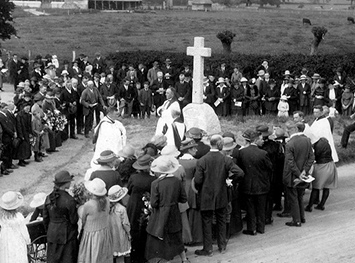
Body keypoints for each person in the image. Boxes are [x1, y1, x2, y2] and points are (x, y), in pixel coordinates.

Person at [194, 135, 244, 256]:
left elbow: (198, 180)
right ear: (220, 145)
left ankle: (208, 248)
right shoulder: (226, 159)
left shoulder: (202, 160)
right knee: (222, 219)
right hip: (222, 194)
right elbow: (240, 173)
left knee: (207, 221)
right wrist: (229, 180)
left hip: (206, 195)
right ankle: (222, 246)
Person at [145, 155, 189, 263]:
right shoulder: (177, 181)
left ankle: (167, 260)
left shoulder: (155, 183)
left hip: (161, 213)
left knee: (161, 237)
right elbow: (183, 199)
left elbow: (154, 203)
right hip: (174, 212)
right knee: (176, 235)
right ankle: (184, 259)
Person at [236, 129, 272, 235]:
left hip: (247, 185)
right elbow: (270, 167)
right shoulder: (263, 153)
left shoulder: (242, 153)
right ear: (255, 140)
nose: (263, 141)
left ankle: (252, 228)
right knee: (261, 207)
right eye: (261, 139)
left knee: (250, 207)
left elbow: (239, 168)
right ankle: (261, 227)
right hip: (262, 185)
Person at [283, 121, 314, 227]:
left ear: (292, 130)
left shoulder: (290, 143)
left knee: (293, 197)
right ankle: (302, 217)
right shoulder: (307, 140)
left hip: (292, 175)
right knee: (300, 195)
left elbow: (290, 162)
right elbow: (311, 158)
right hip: (304, 174)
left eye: (288, 130)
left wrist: (298, 173)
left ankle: (296, 220)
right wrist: (304, 171)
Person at [43, 170, 79, 263]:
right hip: (67, 236)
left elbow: (45, 217)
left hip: (52, 233)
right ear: (66, 184)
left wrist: (49, 230)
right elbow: (73, 220)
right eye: (69, 181)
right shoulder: (70, 200)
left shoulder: (48, 197)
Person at [127, 154, 156, 263]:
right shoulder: (153, 179)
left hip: (134, 205)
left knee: (133, 228)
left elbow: (129, 190)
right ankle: (144, 255)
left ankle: (134, 254)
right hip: (146, 206)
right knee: (144, 229)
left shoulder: (133, 178)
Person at [78, 178, 113, 263]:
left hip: (91, 235)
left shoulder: (88, 205)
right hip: (104, 232)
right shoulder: (107, 201)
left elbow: (83, 220)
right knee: (103, 256)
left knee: (91, 255)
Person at [305, 137, 338, 212]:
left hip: (321, 166)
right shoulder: (325, 142)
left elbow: (314, 157)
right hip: (330, 165)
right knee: (327, 187)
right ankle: (321, 205)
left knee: (316, 187)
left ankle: (309, 206)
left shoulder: (317, 146)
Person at [0, 191, 31, 263]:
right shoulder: (18, 217)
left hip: (5, 240)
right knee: (18, 256)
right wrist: (28, 242)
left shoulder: (1, 218)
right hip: (17, 239)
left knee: (6, 257)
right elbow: (24, 231)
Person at [108, 185, 131, 263]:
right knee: (121, 256)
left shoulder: (107, 208)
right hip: (120, 234)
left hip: (110, 234)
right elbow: (125, 223)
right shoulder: (122, 209)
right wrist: (129, 233)